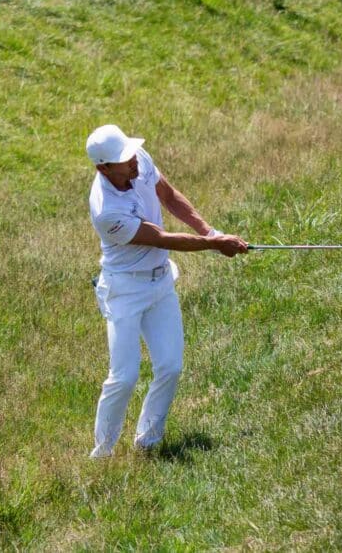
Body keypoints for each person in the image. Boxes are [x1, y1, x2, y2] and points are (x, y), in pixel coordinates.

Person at [86, 124, 248, 458]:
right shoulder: (106, 211)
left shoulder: (137, 158)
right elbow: (160, 238)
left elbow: (169, 196)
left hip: (160, 281)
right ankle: (103, 452)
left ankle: (148, 440)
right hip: (124, 290)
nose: (132, 162)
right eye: (122, 161)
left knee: (170, 366)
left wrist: (211, 232)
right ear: (103, 168)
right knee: (125, 375)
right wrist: (214, 245)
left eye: (131, 155)